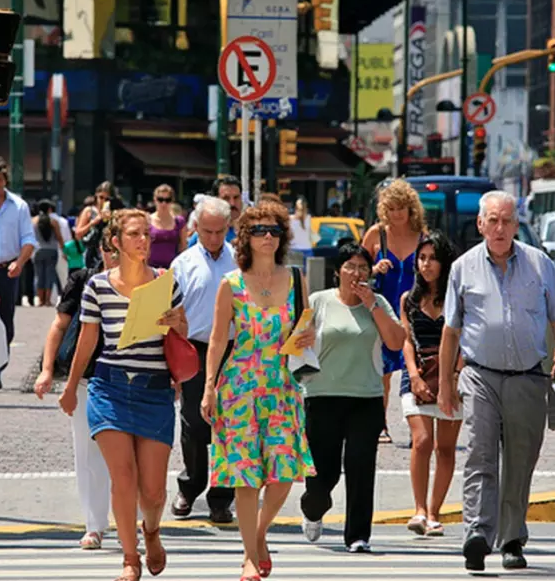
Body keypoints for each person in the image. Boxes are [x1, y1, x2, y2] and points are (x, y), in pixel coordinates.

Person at [437, 190, 555, 572]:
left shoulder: (539, 263)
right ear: (480, 224)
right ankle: (477, 534)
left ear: (517, 225)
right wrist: (446, 385)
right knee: (480, 453)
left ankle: (512, 538)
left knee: (519, 460)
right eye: (492, 221)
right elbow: (452, 330)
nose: (499, 228)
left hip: (528, 377)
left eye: (507, 221)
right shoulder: (463, 267)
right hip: (480, 374)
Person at [58, 209, 187, 581]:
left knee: (153, 491)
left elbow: (180, 334)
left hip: (154, 390)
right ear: (116, 241)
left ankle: (152, 530)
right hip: (110, 387)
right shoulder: (97, 285)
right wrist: (70, 388)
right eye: (134, 234)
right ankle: (130, 559)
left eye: (146, 233)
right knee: (123, 478)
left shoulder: (166, 282)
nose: (143, 240)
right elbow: (88, 340)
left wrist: (178, 323)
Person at [201, 201, 317, 581]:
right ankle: (250, 556)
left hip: (282, 385)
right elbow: (218, 341)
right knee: (245, 475)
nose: (268, 237)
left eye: (274, 230)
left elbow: (303, 332)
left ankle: (260, 534)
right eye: (259, 230)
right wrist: (208, 389)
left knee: (284, 474)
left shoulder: (296, 278)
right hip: (238, 388)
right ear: (245, 237)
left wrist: (307, 336)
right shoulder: (231, 284)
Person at [300, 243, 405, 553]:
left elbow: (396, 342)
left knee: (360, 467)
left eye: (363, 268)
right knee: (324, 472)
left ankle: (358, 535)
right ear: (338, 272)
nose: (357, 274)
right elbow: (296, 341)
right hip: (322, 397)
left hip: (366, 398)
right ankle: (313, 508)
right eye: (350, 267)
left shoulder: (379, 303)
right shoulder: (319, 301)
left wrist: (372, 305)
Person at [34, 232, 117, 550]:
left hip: (131, 376)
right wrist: (47, 368)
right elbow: (59, 324)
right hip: (87, 377)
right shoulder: (84, 279)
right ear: (100, 250)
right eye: (109, 249)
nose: (115, 255)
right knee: (87, 451)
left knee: (132, 454)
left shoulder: (147, 282)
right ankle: (94, 525)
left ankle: (135, 520)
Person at [168, 197, 237, 524]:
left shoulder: (239, 260)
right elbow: (169, 311)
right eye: (207, 231)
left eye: (219, 231)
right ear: (196, 227)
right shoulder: (182, 264)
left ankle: (222, 497)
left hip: (233, 349)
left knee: (229, 425)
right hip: (194, 347)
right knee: (194, 423)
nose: (213, 237)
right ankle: (190, 485)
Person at [400, 233, 463, 537]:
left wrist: (454, 375)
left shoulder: (458, 296)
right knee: (422, 440)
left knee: (446, 447)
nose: (426, 264)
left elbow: (465, 339)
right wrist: (412, 375)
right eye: (421, 258)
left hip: (452, 375)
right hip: (418, 374)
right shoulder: (409, 300)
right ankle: (419, 509)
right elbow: (406, 342)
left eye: (432, 258)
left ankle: (435, 511)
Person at [361, 178, 427, 443]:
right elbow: (356, 270)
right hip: (383, 310)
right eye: (391, 208)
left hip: (415, 311)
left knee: (417, 369)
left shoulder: (423, 236)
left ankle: (418, 425)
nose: (396, 214)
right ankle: (380, 424)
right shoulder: (376, 234)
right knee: (382, 372)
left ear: (411, 209)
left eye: (401, 208)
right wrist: (375, 269)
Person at [0, 157, 37, 391]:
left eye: (0, 180)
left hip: (7, 270)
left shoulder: (19, 206)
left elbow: (28, 239)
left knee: (5, 322)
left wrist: (20, 262)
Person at [187, 176, 243, 247]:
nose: (232, 203)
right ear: (215, 200)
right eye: (226, 198)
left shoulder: (252, 232)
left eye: (236, 197)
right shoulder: (202, 236)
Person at [32, 200, 64, 307]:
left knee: (39, 275)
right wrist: (64, 249)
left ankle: (40, 300)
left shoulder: (34, 221)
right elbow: (59, 237)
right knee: (49, 275)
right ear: (49, 209)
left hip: (38, 250)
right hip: (51, 250)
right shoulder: (53, 221)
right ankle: (47, 300)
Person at [148, 184, 187, 269]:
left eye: (167, 200)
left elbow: (183, 248)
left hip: (172, 269)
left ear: (172, 201)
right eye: (160, 199)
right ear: (155, 200)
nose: (164, 203)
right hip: (150, 268)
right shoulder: (147, 221)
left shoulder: (179, 222)